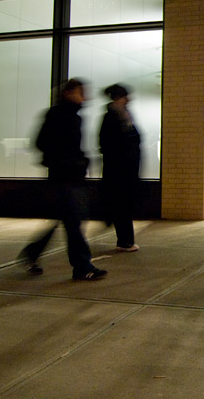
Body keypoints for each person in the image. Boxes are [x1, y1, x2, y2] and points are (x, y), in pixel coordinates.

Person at [19, 79, 107, 281]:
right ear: (68, 93)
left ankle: (32, 252)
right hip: (63, 177)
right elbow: (41, 143)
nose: (84, 96)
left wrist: (80, 161)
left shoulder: (74, 116)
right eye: (80, 92)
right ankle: (82, 267)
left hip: (73, 176)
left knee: (65, 219)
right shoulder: (57, 114)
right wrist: (65, 161)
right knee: (74, 221)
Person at [99, 83, 141, 252]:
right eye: (125, 97)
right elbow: (108, 144)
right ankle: (125, 241)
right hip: (119, 171)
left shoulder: (124, 116)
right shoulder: (112, 117)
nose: (128, 100)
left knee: (123, 205)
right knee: (122, 205)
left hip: (125, 170)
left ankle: (125, 240)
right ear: (118, 98)